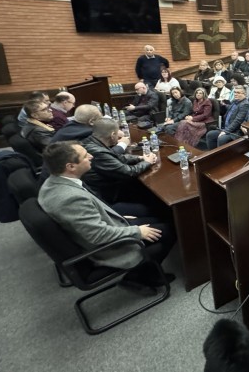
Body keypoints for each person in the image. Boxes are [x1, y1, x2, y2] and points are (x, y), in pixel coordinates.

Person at [39, 142, 175, 286]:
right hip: (107, 248)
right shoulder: (70, 198)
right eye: (85, 156)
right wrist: (137, 231)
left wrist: (113, 216)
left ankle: (146, 269)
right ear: (71, 166)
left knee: (155, 216)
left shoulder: (53, 182)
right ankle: (142, 276)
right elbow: (98, 235)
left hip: (103, 226)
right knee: (170, 229)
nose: (91, 157)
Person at [81, 119, 157, 205]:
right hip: (109, 192)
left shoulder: (91, 141)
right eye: (117, 133)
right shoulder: (98, 152)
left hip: (107, 184)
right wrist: (147, 162)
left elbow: (116, 156)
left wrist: (140, 158)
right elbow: (128, 172)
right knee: (147, 188)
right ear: (113, 135)